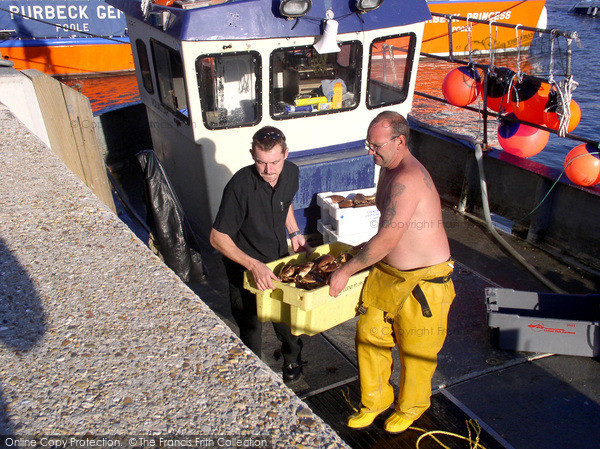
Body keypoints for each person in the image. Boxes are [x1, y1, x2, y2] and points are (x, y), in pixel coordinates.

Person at [328, 111, 455, 433]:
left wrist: (347, 271)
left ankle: (411, 408)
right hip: (388, 272)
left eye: (376, 146)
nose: (370, 152)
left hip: (425, 280)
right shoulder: (386, 168)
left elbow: (388, 237)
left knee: (416, 349)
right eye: (368, 144)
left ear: (399, 141)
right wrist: (360, 253)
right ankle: (375, 401)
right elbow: (386, 230)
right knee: (369, 336)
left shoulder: (408, 178)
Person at [210, 126, 310, 382]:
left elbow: (284, 203)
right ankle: (254, 374)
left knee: (285, 319)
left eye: (275, 162)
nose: (268, 170)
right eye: (261, 162)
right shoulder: (239, 186)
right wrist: (253, 265)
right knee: (251, 325)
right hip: (243, 266)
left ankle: (292, 360)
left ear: (286, 154)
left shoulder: (292, 173)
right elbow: (217, 238)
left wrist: (295, 233)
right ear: (252, 155)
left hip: (277, 261)